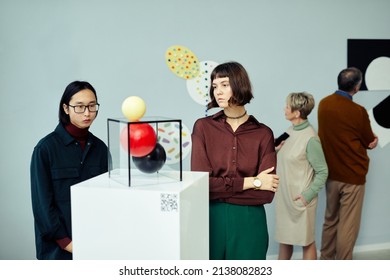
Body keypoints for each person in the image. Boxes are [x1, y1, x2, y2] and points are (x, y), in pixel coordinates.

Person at [191, 61, 279, 260]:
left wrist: (219, 190)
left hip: (250, 223)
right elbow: (201, 186)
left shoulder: (263, 134)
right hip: (211, 220)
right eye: (214, 86)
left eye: (224, 85)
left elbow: (265, 195)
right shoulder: (203, 128)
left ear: (239, 85)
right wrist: (253, 182)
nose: (217, 92)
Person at [30, 81, 108, 260]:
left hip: (94, 244)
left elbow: (104, 199)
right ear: (66, 108)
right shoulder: (45, 149)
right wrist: (66, 242)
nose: (87, 113)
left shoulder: (100, 148)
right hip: (57, 250)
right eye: (79, 107)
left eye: (92, 106)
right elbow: (42, 204)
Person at [318, 67, 378, 260]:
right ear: (357, 87)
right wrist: (373, 141)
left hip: (331, 173)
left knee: (330, 219)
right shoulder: (358, 111)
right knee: (348, 225)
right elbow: (368, 141)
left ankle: (326, 260)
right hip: (352, 175)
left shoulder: (324, 104)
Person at [274, 92, 328, 260]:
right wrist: (274, 149)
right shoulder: (289, 131)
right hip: (284, 198)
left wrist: (307, 196)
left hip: (300, 200)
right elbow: (281, 152)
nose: (284, 109)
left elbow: (323, 171)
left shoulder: (311, 139)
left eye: (287, 107)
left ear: (296, 113)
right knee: (285, 239)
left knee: (307, 241)